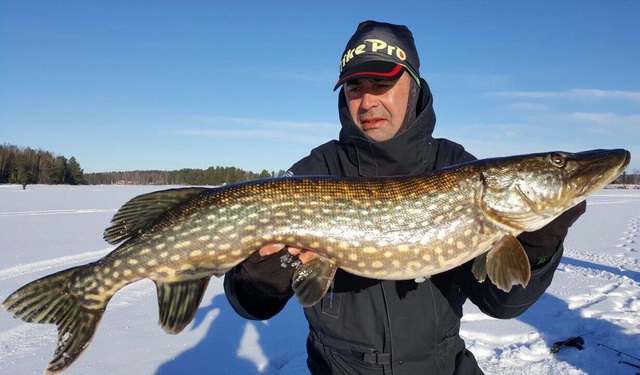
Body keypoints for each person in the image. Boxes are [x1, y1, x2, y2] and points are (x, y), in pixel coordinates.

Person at [224, 20, 586, 374]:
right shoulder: (315, 171)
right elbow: (251, 306)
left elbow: (503, 304)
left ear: (413, 86)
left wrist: (538, 244)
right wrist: (258, 282)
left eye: (381, 84)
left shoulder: (453, 165)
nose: (367, 103)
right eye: (355, 88)